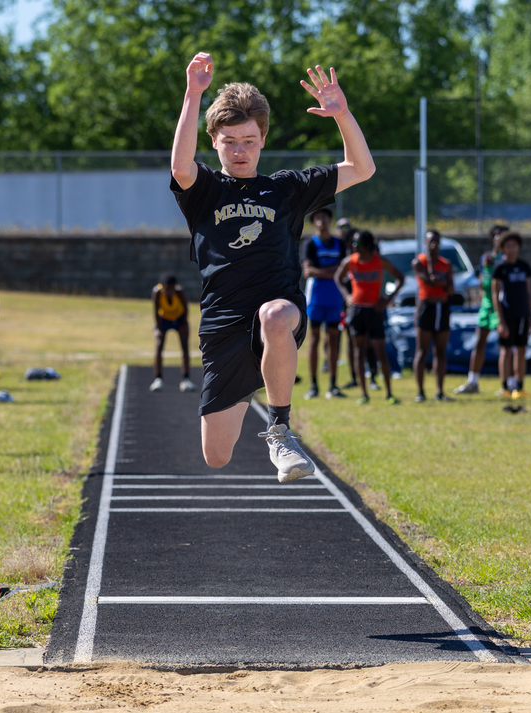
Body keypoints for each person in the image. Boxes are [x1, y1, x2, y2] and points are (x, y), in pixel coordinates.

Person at [169, 53, 375, 481]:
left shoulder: (286, 189)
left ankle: (280, 429)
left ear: (262, 139)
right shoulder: (204, 189)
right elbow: (179, 167)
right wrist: (193, 94)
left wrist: (343, 115)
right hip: (223, 325)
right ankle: (257, 381)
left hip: (279, 313)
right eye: (229, 141)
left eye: (248, 139)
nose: (239, 150)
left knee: (275, 314)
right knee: (217, 456)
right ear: (214, 141)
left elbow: (362, 168)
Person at [335, 230, 404, 405]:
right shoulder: (350, 261)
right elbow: (338, 277)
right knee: (359, 351)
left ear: (366, 245)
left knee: (381, 351)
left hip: (375, 310)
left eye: (356, 243)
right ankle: (363, 393)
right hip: (357, 310)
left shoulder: (379, 261)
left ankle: (389, 393)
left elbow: (400, 278)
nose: (353, 246)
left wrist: (388, 299)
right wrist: (346, 296)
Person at [455, 223, 508, 395]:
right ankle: (473, 381)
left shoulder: (507, 258)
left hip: (501, 304)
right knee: (479, 342)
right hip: (486, 305)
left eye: (503, 235)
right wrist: (486, 266)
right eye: (497, 234)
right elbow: (481, 283)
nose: (499, 238)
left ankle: (507, 384)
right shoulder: (486, 258)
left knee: (506, 346)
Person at [301, 207, 346, 399]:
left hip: (335, 297)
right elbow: (308, 272)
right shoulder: (310, 244)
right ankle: (313, 385)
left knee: (333, 339)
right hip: (316, 297)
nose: (322, 221)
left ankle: (333, 385)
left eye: (325, 217)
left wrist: (325, 271)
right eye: (318, 218)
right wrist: (332, 271)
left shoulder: (339, 243)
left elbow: (345, 270)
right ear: (313, 222)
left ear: (330, 220)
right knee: (314, 339)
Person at [412, 229, 454, 402]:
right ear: (425, 242)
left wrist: (442, 281)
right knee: (422, 351)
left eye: (436, 241)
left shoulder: (446, 264)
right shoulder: (419, 262)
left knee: (441, 351)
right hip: (426, 306)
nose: (434, 244)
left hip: (442, 307)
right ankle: (421, 392)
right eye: (430, 241)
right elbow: (427, 280)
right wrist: (440, 280)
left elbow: (450, 289)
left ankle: (440, 391)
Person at [490, 231, 531, 399]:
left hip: (522, 314)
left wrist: (530, 317)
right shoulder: (500, 268)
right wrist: (500, 321)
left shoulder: (524, 267)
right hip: (507, 315)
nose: (511, 249)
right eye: (508, 246)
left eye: (514, 246)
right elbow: (496, 295)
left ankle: (519, 386)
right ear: (502, 248)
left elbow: (528, 293)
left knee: (521, 350)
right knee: (506, 351)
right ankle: (505, 386)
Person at [150, 274, 195, 393]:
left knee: (185, 347)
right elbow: (155, 311)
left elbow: (186, 309)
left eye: (171, 289)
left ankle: (186, 379)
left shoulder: (180, 292)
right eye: (167, 289)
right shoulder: (157, 292)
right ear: (162, 287)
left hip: (179, 319)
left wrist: (184, 325)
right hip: (164, 319)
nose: (169, 292)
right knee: (159, 345)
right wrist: (159, 329)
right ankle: (158, 378)